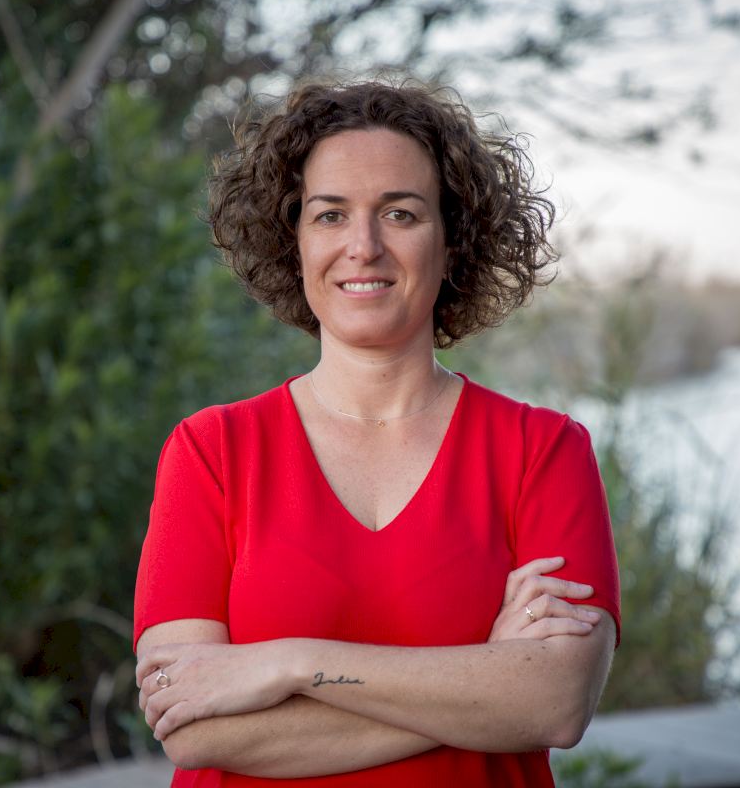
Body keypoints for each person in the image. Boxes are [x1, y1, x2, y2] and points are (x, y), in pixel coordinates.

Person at [133, 80, 620, 787]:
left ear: (453, 242)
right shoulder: (211, 453)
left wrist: (291, 664)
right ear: (294, 243)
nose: (362, 247)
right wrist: (486, 682)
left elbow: (556, 702)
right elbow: (194, 727)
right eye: (330, 215)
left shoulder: (542, 451)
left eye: (400, 213)